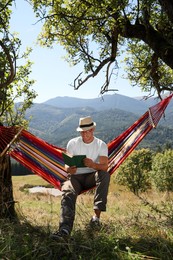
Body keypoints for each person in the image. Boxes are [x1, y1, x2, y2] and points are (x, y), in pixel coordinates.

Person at [52, 116, 110, 239]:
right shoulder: (72, 143)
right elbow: (67, 164)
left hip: (91, 177)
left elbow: (105, 167)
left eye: (87, 131)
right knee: (67, 191)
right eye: (82, 132)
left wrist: (93, 165)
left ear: (93, 129)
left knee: (104, 175)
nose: (84, 134)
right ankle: (64, 230)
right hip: (75, 178)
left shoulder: (101, 145)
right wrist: (68, 169)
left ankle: (96, 218)